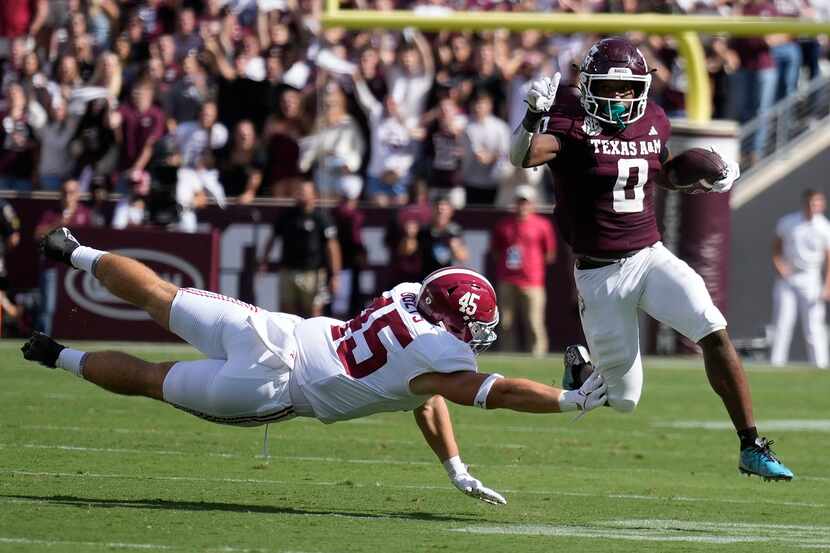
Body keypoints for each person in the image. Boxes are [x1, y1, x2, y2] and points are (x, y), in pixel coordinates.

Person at [22, 228, 609, 505]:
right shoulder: (443, 355)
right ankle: (58, 356)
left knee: (161, 295)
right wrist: (570, 400)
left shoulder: (408, 294)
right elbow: (496, 392)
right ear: (455, 322)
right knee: (154, 380)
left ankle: (73, 250)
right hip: (271, 387)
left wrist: (455, 466)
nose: (479, 337)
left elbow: (423, 395)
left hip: (273, 330)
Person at [509, 36, 793, 481]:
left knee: (712, 326)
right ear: (589, 86)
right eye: (610, 88)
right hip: (599, 275)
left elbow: (661, 173)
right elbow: (521, 156)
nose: (621, 99)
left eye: (628, 89)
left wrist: (707, 178)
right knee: (624, 400)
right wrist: (530, 118)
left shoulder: (654, 119)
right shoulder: (569, 123)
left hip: (649, 256)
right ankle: (580, 364)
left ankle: (750, 444)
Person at [259, 181, 342, 318]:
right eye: (299, 192)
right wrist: (264, 261)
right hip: (288, 270)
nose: (301, 196)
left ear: (313, 195)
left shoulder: (321, 218)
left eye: (304, 192)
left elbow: (332, 247)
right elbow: (272, 238)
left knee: (314, 311)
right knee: (286, 312)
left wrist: (335, 275)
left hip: (313, 273)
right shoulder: (287, 215)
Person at [491, 185, 557, 356]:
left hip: (533, 281)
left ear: (532, 204)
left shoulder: (542, 225)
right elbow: (496, 251)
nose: (523, 206)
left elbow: (549, 253)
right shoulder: (504, 225)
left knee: (534, 322)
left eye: (526, 202)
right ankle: (507, 354)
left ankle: (538, 355)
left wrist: (531, 265)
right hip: (508, 279)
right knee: (506, 322)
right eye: (520, 202)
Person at [769, 189, 830, 368]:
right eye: (812, 203)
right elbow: (776, 247)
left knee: (813, 325)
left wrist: (827, 286)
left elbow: (828, 258)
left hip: (811, 279)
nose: (814, 207)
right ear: (805, 203)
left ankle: (820, 365)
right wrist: (780, 266)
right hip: (788, 280)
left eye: (818, 203)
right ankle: (776, 364)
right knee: (782, 322)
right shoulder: (788, 222)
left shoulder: (825, 228)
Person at [33, 179, 92, 334]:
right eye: (64, 192)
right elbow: (38, 234)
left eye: (71, 192)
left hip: (75, 269)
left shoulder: (85, 214)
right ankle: (43, 340)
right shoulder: (51, 214)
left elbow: (93, 238)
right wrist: (60, 222)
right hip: (52, 267)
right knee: (48, 308)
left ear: (78, 194)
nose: (67, 196)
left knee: (78, 307)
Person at [418, 195, 468, 277]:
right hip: (426, 277)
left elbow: (463, 257)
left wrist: (455, 246)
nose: (440, 213)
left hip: (448, 277)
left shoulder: (455, 231)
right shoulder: (424, 231)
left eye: (444, 210)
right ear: (432, 211)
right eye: (437, 210)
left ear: (451, 212)